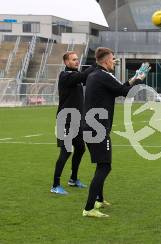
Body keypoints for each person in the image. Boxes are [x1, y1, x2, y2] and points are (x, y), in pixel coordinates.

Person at [81, 47, 148, 218]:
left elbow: (119, 88)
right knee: (105, 166)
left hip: (92, 126)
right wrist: (139, 79)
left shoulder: (97, 75)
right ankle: (89, 208)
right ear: (105, 60)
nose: (114, 61)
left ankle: (99, 200)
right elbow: (126, 92)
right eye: (112, 59)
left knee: (101, 165)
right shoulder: (103, 75)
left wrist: (134, 78)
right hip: (98, 128)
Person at [51, 51, 96, 195]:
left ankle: (73, 179)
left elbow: (86, 77)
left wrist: (103, 67)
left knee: (80, 148)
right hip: (65, 120)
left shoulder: (75, 76)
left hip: (76, 121)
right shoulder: (65, 76)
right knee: (66, 151)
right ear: (66, 62)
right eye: (73, 60)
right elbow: (83, 75)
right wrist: (98, 62)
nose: (77, 61)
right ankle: (55, 185)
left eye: (77, 59)